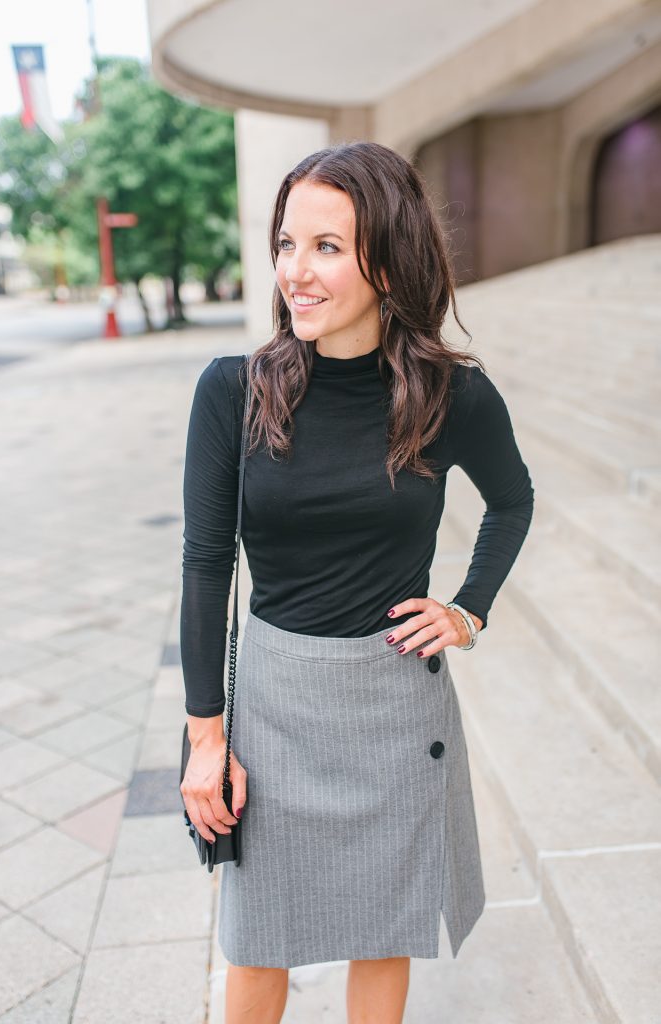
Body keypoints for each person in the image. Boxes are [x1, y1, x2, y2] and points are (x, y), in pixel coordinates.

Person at [179, 141, 535, 1024]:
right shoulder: (234, 391)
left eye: (326, 247)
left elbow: (512, 501)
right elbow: (204, 564)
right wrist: (203, 740)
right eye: (286, 242)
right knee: (258, 939)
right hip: (273, 705)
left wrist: (466, 610)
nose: (296, 271)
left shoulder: (450, 397)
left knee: (384, 931)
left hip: (392, 708)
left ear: (386, 255)